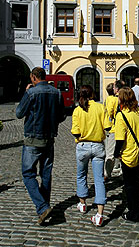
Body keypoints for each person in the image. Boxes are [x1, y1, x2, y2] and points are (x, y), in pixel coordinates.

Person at [16, 67, 65, 225]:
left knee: (28, 174)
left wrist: (26, 92)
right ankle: (45, 208)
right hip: (49, 139)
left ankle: (42, 206)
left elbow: (19, 113)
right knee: (45, 175)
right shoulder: (56, 93)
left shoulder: (31, 93)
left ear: (33, 77)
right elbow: (62, 115)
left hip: (32, 139)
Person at [71, 85, 109, 226]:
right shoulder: (100, 107)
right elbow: (107, 126)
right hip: (98, 146)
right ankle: (99, 214)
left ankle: (83, 204)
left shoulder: (77, 110)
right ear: (93, 94)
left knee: (81, 175)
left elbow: (75, 131)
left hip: (83, 146)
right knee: (99, 179)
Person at [114, 87, 139, 222]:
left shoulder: (121, 115)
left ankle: (133, 213)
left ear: (122, 99)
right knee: (137, 183)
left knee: (129, 185)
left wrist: (116, 153)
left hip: (128, 154)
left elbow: (119, 139)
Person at [104, 80, 124, 178]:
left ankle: (107, 173)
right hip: (123, 129)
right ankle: (121, 172)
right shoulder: (123, 98)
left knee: (110, 152)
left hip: (113, 129)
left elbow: (109, 113)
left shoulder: (111, 99)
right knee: (122, 152)